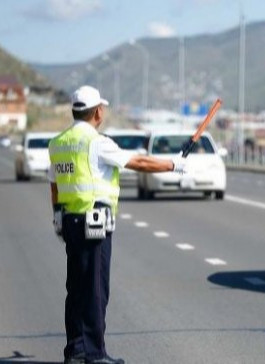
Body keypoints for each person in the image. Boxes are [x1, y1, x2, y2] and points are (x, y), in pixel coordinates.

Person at [48, 85, 187, 364]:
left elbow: (54, 184)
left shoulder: (59, 142)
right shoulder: (97, 142)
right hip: (94, 222)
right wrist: (173, 165)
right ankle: (94, 354)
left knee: (75, 287)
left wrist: (57, 216)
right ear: (98, 111)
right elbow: (138, 161)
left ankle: (75, 350)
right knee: (96, 289)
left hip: (69, 221)